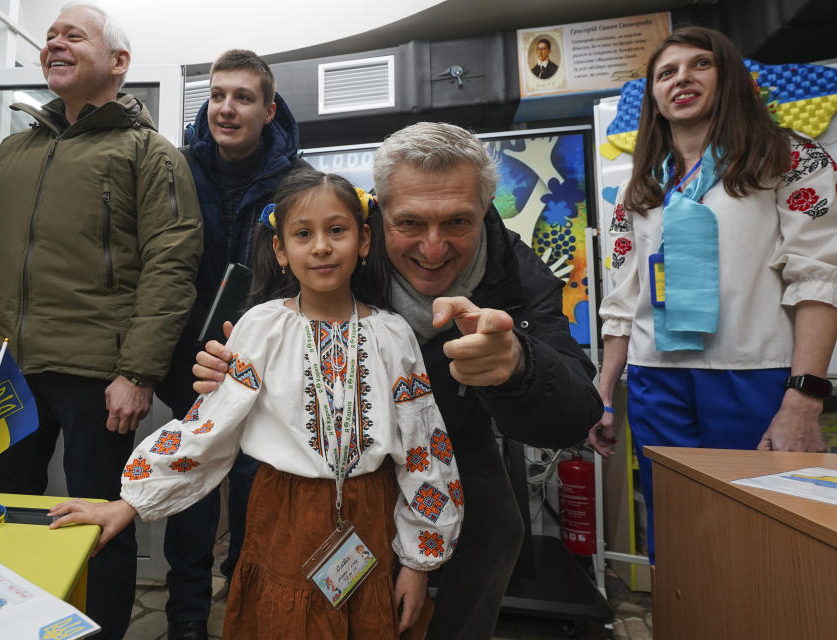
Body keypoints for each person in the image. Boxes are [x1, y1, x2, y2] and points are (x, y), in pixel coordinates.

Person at [193, 122, 603, 639]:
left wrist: (519, 368)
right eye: (409, 223)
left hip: (455, 434)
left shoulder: (515, 272)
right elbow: (258, 328)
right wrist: (221, 366)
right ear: (377, 216)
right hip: (329, 444)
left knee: (498, 531)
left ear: (486, 211)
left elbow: (576, 412)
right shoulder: (333, 246)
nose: (433, 250)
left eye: (458, 222)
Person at [49, 171, 464, 640]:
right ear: (281, 251)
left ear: (364, 240)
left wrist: (417, 562)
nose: (322, 247)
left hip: (372, 518)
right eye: (303, 234)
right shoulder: (261, 327)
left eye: (337, 230)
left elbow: (424, 448)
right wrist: (128, 505)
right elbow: (211, 426)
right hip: (282, 517)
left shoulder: (394, 335)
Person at [0, 3, 202, 638]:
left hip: (95, 373)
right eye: (49, 35)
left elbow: (171, 264)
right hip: (9, 370)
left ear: (118, 63)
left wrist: (137, 371)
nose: (53, 42)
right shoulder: (16, 151)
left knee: (97, 524)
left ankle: (100, 630)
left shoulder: (150, 154)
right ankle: (3, 624)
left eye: (72, 35)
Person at [589, 26, 837, 561]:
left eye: (700, 64)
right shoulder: (642, 186)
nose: (682, 78)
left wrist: (805, 394)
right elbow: (624, 296)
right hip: (658, 379)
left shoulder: (787, 158)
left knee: (764, 535)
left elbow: (820, 276)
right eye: (666, 72)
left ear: (729, 79)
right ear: (654, 96)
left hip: (754, 374)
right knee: (677, 532)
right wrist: (605, 393)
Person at [155, 49, 306, 640]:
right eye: (218, 95)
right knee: (187, 487)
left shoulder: (300, 180)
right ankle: (186, 617)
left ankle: (245, 607)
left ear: (268, 109)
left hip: (265, 370)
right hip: (190, 364)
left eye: (242, 97)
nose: (227, 107)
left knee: (253, 493)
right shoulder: (174, 168)